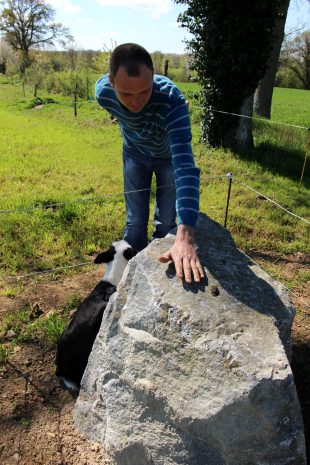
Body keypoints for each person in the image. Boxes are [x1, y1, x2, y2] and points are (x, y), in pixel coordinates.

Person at [96, 43, 203, 283]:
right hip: (133, 154)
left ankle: (159, 280)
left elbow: (185, 166)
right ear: (112, 83)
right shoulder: (103, 94)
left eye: (144, 92)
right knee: (134, 222)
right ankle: (127, 282)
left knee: (166, 223)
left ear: (153, 77)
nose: (136, 103)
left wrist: (185, 235)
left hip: (168, 159)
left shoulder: (172, 102)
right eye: (126, 94)